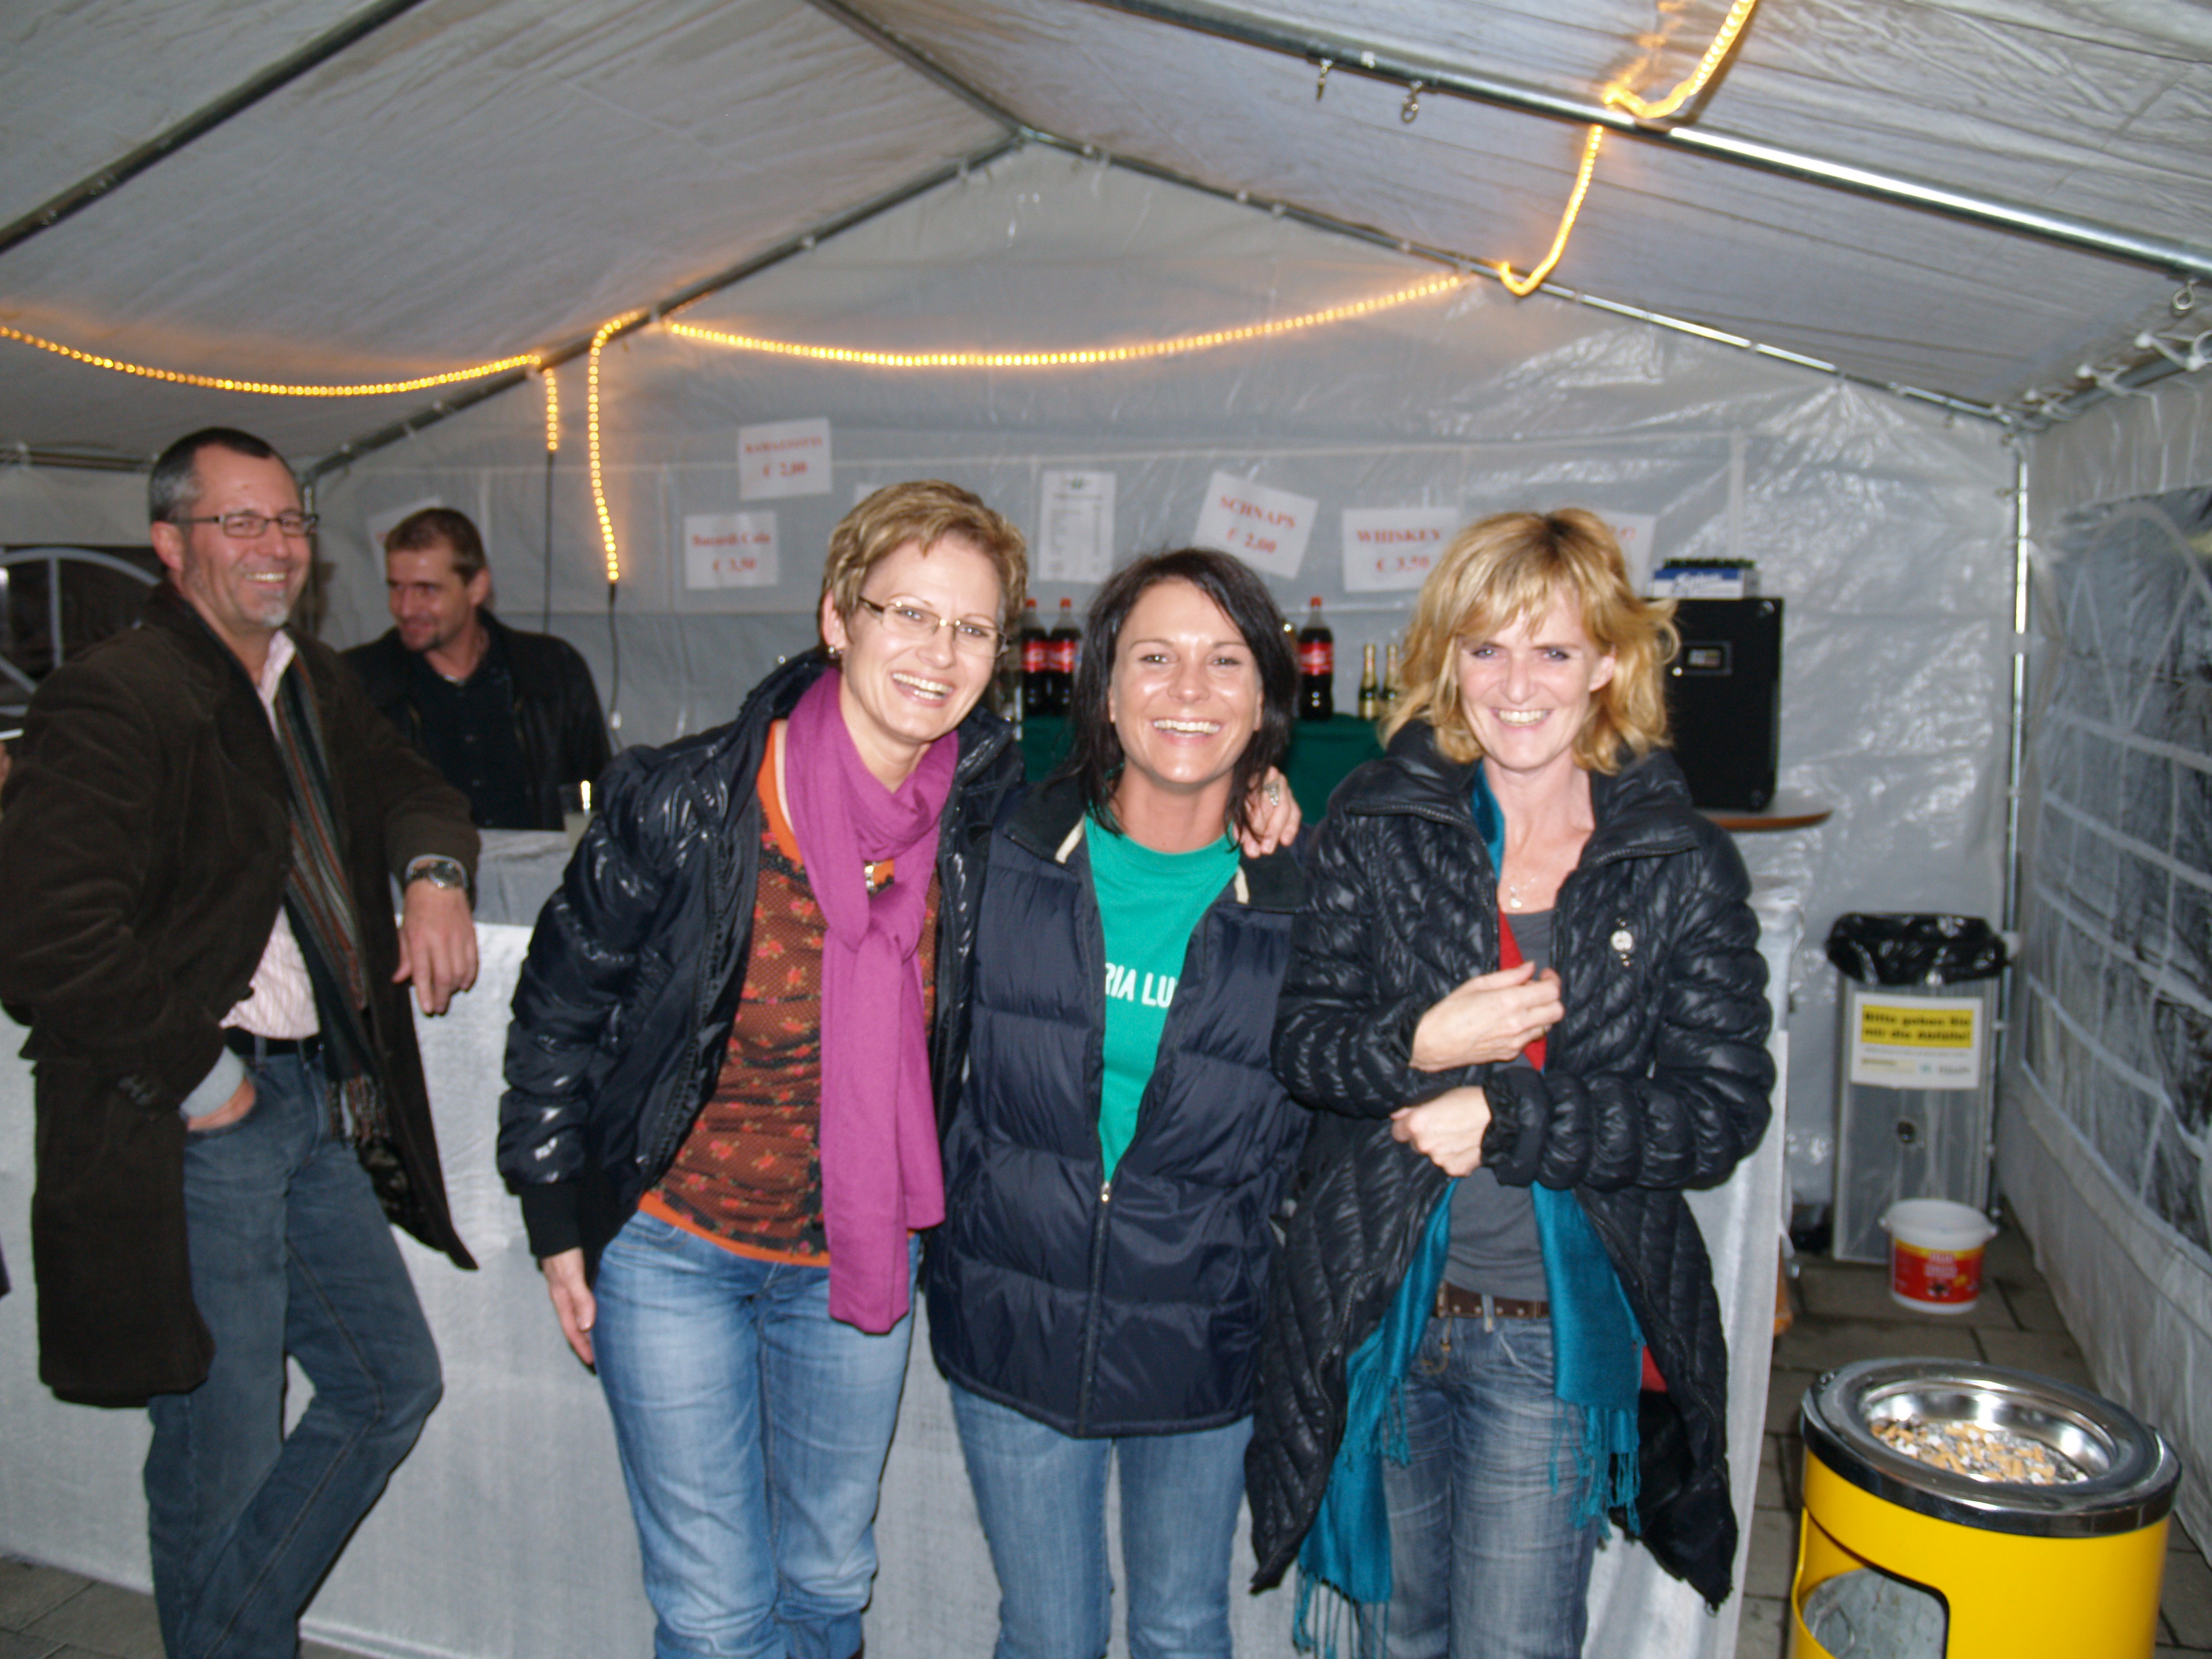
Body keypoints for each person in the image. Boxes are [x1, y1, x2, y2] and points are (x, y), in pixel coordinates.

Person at [497, 480, 1030, 1659]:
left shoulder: (989, 824)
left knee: (829, 1581)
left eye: (971, 627)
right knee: (717, 1610)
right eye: (907, 613)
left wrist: (1255, 799)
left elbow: (1146, 826)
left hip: (856, 1247)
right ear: (836, 618)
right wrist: (554, 1214)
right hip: (674, 1246)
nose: (938, 652)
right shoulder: (686, 799)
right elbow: (560, 1009)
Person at [1245, 510, 1774, 1658]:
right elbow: (1304, 1046)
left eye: (1552, 649)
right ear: (1449, 661)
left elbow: (1718, 1111)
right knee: (1398, 1639)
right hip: (1385, 1304)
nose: (1517, 684)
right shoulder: (1380, 822)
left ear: (1608, 663)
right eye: (1486, 647)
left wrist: (1505, 1114)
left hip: (1545, 1334)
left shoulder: (1673, 861)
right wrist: (1422, 1042)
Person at [0, 427, 480, 1659]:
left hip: (311, 1104)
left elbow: (411, 785)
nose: (276, 545)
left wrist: (432, 875)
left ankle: (225, 1637)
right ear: (170, 545)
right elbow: (44, 934)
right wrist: (204, 1082)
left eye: (289, 521)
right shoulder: (116, 691)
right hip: (197, 1118)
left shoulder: (302, 677)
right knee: (218, 1447)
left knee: (387, 1383)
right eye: (241, 522)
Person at [928, 550, 1309, 1659]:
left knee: (1181, 1627)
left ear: (1264, 700)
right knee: (1049, 1632)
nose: (1188, 689)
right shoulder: (1002, 854)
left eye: (1224, 661)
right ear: (1101, 689)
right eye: (1154, 658)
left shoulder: (1302, 904)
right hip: (1013, 1313)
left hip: (1201, 1331)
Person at [343, 505, 611, 830]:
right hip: (423, 862)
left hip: (547, 862)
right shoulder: (358, 682)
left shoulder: (552, 669)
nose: (405, 608)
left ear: (477, 588)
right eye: (396, 587)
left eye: (426, 590)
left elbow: (597, 794)